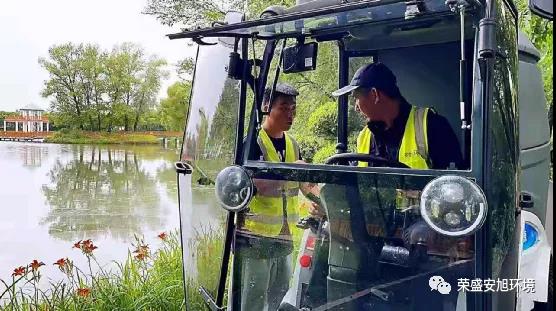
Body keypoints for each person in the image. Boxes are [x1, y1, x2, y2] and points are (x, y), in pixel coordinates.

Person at [236, 83, 305, 311]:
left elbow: (306, 184)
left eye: (293, 109)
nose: (290, 114)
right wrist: (291, 172)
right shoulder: (253, 143)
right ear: (266, 107)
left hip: (284, 237)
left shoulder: (293, 144)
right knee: (252, 299)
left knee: (280, 293)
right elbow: (256, 185)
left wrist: (325, 202)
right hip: (256, 238)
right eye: (284, 107)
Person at [332, 62, 463, 170]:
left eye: (356, 98)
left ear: (374, 95)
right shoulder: (364, 137)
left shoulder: (433, 126)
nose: (356, 107)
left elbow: (452, 187)